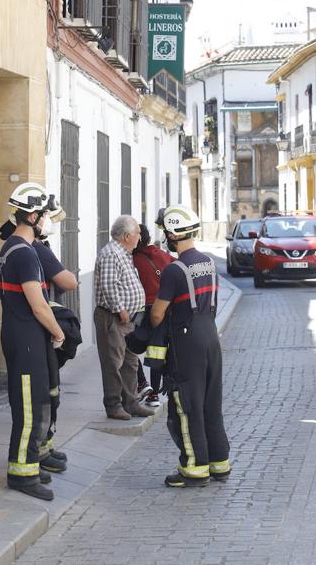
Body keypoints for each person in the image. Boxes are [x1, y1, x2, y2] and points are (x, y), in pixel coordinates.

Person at [150, 205, 230, 488]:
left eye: (166, 232)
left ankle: (194, 469)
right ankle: (219, 464)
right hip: (210, 336)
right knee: (211, 403)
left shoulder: (174, 269)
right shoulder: (208, 262)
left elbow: (158, 314)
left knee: (187, 404)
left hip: (187, 343)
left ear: (173, 235)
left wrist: (151, 323)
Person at [0, 183, 65, 501]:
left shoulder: (14, 247)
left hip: (21, 334)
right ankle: (22, 475)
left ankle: (30, 465)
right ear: (34, 216)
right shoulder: (24, 253)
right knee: (28, 408)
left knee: (34, 402)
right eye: (46, 215)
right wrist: (58, 331)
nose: (48, 221)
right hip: (25, 337)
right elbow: (38, 305)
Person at [93, 215, 153, 421]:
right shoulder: (111, 253)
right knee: (113, 363)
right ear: (127, 236)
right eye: (137, 234)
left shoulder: (124, 253)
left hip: (127, 319)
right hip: (114, 317)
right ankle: (113, 405)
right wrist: (120, 309)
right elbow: (109, 285)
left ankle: (131, 403)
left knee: (130, 362)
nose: (139, 238)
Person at [133, 224, 172, 407]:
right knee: (158, 351)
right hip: (167, 308)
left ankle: (143, 384)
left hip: (146, 310)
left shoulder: (132, 259)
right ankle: (155, 393)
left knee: (127, 347)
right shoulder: (161, 254)